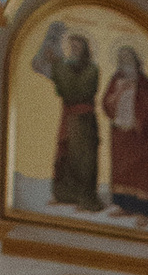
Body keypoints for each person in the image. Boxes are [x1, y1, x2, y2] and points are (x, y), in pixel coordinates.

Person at [35, 25, 103, 209]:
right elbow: (49, 74)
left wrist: (57, 65)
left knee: (83, 159)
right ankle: (65, 195)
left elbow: (76, 90)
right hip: (69, 118)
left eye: (77, 47)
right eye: (71, 47)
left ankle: (86, 199)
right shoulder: (66, 66)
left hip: (84, 121)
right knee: (65, 157)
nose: (73, 50)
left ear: (85, 50)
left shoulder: (91, 69)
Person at [102, 43, 148, 219]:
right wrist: (117, 95)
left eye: (127, 59)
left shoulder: (144, 83)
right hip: (120, 131)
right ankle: (124, 206)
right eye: (121, 59)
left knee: (141, 171)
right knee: (121, 169)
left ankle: (143, 211)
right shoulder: (116, 80)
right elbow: (106, 103)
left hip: (140, 134)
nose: (124, 62)